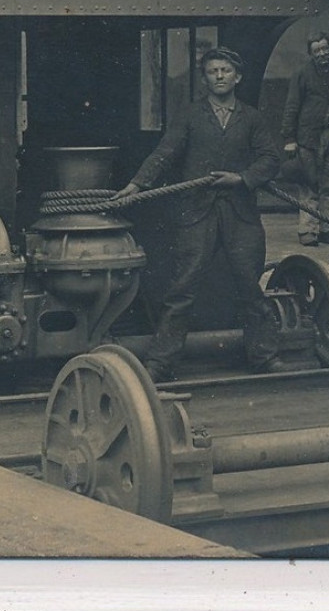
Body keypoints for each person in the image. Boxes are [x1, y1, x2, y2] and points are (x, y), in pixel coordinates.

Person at [112, 47, 285, 381]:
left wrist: (242, 179)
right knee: (182, 289)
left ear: (238, 77)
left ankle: (264, 356)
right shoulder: (190, 115)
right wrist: (136, 185)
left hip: (242, 216)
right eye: (212, 71)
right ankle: (161, 363)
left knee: (250, 286)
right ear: (205, 78)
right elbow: (164, 154)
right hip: (196, 213)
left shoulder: (252, 118)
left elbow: (270, 159)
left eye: (225, 71)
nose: (219, 76)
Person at [280, 31, 329, 246]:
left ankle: (328, 228)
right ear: (311, 53)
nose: (322, 53)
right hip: (309, 138)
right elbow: (292, 106)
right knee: (309, 184)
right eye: (317, 50)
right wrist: (289, 138)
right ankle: (307, 231)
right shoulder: (302, 75)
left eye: (325, 49)